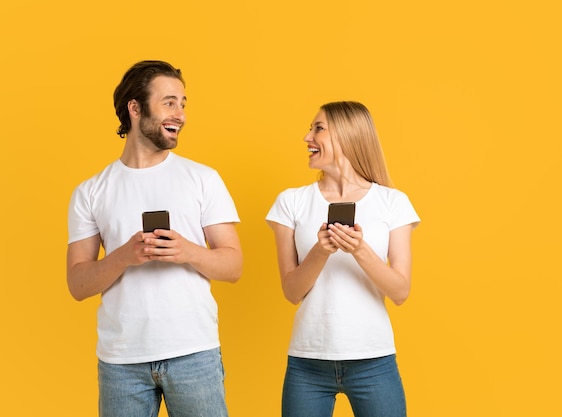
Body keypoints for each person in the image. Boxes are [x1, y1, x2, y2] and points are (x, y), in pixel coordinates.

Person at [67, 60, 243, 417]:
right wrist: (124, 256)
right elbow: (78, 284)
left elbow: (233, 265)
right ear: (135, 108)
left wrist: (187, 251)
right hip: (121, 362)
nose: (181, 113)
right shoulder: (91, 192)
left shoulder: (203, 179)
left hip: (194, 353)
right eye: (169, 102)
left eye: (183, 103)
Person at [266, 101, 420, 417]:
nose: (307, 137)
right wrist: (320, 251)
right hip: (308, 363)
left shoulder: (392, 202)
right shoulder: (291, 202)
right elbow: (292, 292)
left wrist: (360, 250)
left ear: (347, 135)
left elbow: (400, 292)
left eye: (318, 128)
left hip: (374, 361)